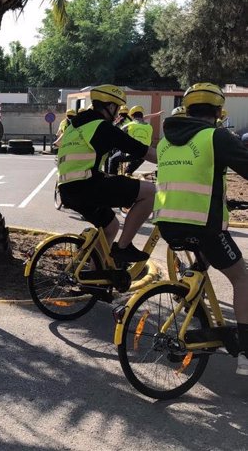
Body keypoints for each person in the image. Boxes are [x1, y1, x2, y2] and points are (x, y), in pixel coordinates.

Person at [153, 82, 248, 375]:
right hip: (204, 225)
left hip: (167, 223)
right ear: (219, 112)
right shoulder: (216, 137)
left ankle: (194, 303)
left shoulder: (165, 141)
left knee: (203, 262)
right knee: (241, 278)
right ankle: (245, 350)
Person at [56, 84, 157, 270]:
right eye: (117, 109)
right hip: (87, 187)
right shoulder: (100, 127)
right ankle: (123, 248)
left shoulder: (74, 126)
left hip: (67, 189)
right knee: (151, 192)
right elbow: (141, 150)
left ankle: (93, 279)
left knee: (110, 227)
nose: (118, 114)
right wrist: (172, 163)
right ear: (110, 107)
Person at [108, 105, 153, 175]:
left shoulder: (128, 125)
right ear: (142, 115)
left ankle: (112, 179)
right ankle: (127, 174)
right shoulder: (150, 127)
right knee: (128, 172)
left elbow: (117, 135)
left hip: (130, 153)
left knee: (113, 160)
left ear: (132, 116)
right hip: (144, 155)